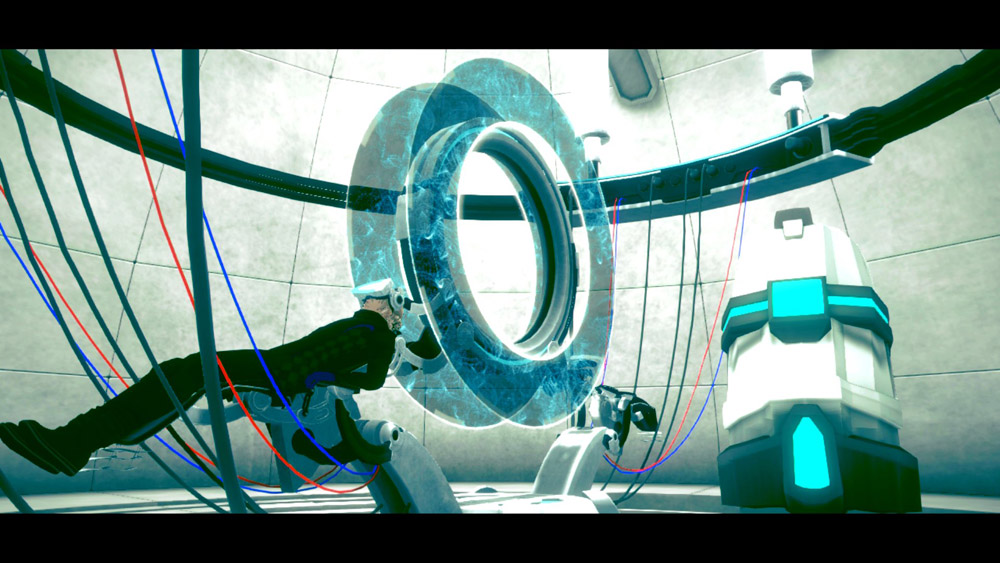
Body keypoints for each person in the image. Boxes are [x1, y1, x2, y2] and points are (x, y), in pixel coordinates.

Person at [0, 279, 440, 477]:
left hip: (279, 375)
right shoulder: (362, 325)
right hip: (275, 365)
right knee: (181, 371)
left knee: (188, 374)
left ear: (390, 304)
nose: (365, 301)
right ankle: (75, 441)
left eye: (373, 298)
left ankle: (74, 443)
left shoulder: (380, 336)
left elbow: (373, 380)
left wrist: (322, 375)